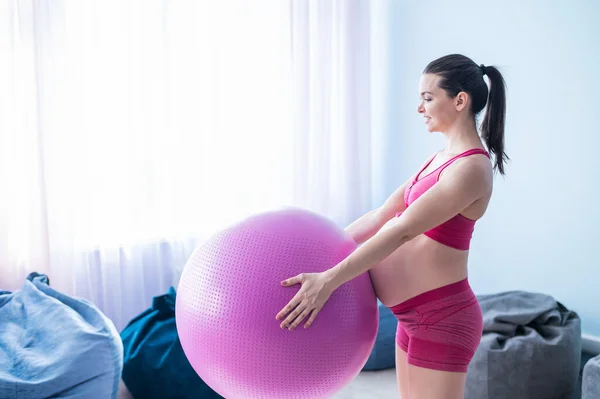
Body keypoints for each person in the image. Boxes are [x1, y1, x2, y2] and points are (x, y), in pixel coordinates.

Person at [275, 53, 508, 398]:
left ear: (460, 100)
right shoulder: (439, 159)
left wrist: (330, 279)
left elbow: (402, 231)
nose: (420, 108)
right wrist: (322, 250)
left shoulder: (471, 169)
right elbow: (381, 216)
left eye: (428, 98)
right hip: (411, 316)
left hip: (441, 318)